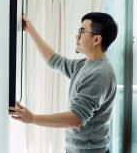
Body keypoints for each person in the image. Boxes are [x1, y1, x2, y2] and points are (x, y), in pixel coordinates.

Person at [9, 12, 118, 153]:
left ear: (96, 39)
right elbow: (55, 61)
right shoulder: (84, 65)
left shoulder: (100, 74)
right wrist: (31, 30)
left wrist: (33, 118)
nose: (76, 36)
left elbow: (76, 119)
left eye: (81, 31)